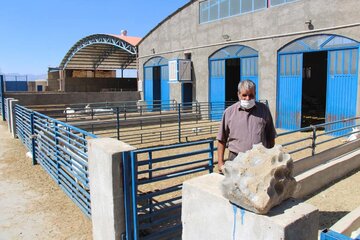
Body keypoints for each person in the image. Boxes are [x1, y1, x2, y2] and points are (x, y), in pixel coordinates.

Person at [216, 79, 276, 173]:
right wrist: (220, 162)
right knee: (235, 187)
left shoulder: (264, 110)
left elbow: (270, 137)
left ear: (255, 94)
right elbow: (221, 139)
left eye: (251, 95)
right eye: (244, 95)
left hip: (259, 159)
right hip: (235, 159)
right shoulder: (229, 112)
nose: (247, 98)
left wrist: (271, 158)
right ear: (238, 95)